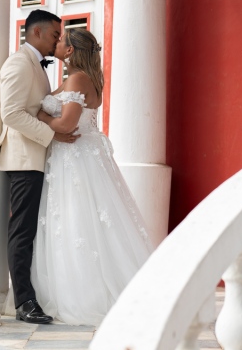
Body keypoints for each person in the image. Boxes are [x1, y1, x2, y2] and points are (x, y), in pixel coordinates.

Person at [31, 28, 153, 325]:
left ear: (70, 50)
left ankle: (84, 295)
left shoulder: (78, 79)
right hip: (76, 156)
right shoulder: (82, 78)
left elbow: (67, 124)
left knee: (76, 220)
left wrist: (41, 117)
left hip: (74, 158)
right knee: (81, 221)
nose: (56, 42)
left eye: (61, 40)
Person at [0, 9, 79, 324]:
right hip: (24, 158)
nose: (58, 41)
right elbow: (11, 113)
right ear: (37, 32)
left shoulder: (36, 65)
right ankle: (24, 302)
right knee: (23, 230)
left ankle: (31, 296)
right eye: (55, 35)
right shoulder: (19, 63)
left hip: (38, 157)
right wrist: (52, 134)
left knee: (32, 230)